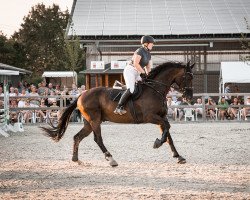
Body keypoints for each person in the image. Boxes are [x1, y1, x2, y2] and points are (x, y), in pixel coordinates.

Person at [114, 35, 155, 115]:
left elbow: (148, 67)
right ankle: (119, 107)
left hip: (137, 72)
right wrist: (143, 73)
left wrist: (149, 76)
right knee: (131, 90)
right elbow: (136, 64)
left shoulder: (149, 54)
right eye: (152, 43)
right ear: (146, 43)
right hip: (130, 70)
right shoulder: (140, 51)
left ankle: (121, 87)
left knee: (145, 85)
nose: (153, 45)